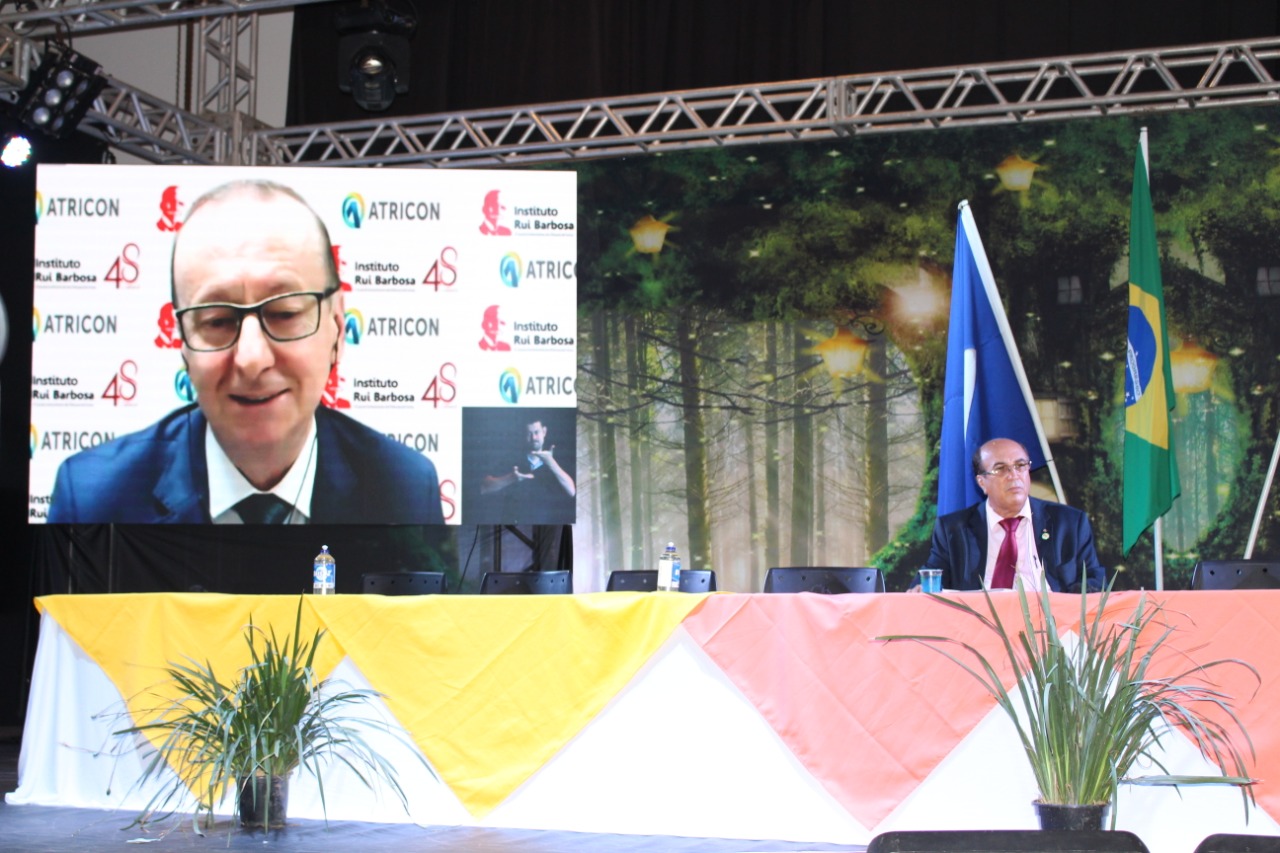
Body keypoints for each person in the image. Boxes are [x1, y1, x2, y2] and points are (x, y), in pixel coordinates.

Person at [48, 180, 444, 525]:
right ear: (182, 341)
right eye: (218, 320)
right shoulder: (93, 500)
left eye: (285, 313)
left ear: (337, 327)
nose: (252, 359)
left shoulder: (405, 490)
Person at [921, 437, 1105, 593]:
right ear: (982, 482)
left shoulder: (1069, 523)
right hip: (979, 621)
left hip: (1050, 621)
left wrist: (1065, 607)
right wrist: (920, 590)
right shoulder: (953, 529)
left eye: (1020, 465)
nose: (1013, 475)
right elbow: (929, 581)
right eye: (1000, 468)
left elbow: (1094, 580)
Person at [480, 418, 575, 523]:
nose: (533, 438)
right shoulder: (511, 460)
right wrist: (512, 478)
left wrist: (551, 463)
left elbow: (571, 491)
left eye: (536, 432)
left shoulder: (558, 460)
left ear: (544, 432)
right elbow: (484, 487)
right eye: (529, 434)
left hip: (546, 527)